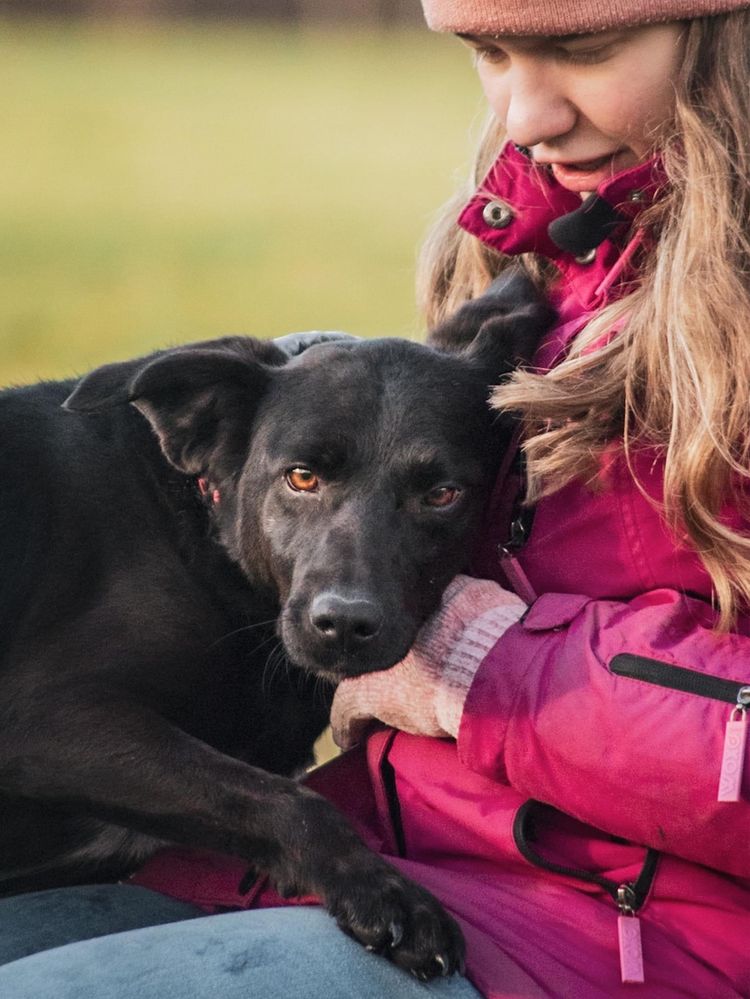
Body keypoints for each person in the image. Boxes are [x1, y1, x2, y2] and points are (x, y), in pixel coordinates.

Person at [2, 1, 750, 995]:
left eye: (583, 50)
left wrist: (475, 665)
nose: (524, 114)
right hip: (391, 852)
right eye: (491, 52)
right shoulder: (550, 289)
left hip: (608, 933)